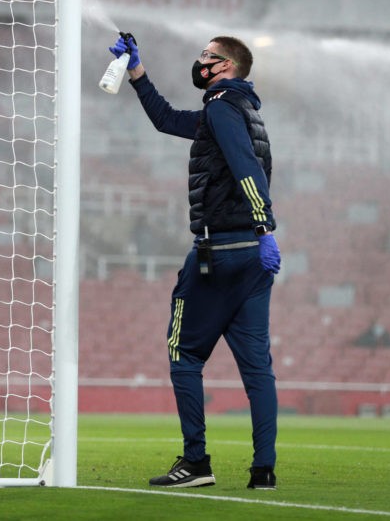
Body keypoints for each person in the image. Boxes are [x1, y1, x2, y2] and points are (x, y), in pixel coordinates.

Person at [107, 33, 281, 490]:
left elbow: (245, 166)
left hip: (221, 249)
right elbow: (166, 120)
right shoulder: (242, 109)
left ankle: (196, 462)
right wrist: (137, 74)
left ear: (225, 66)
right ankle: (264, 470)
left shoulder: (222, 106)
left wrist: (265, 225)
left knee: (183, 354)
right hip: (251, 260)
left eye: (207, 55)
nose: (199, 60)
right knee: (257, 367)